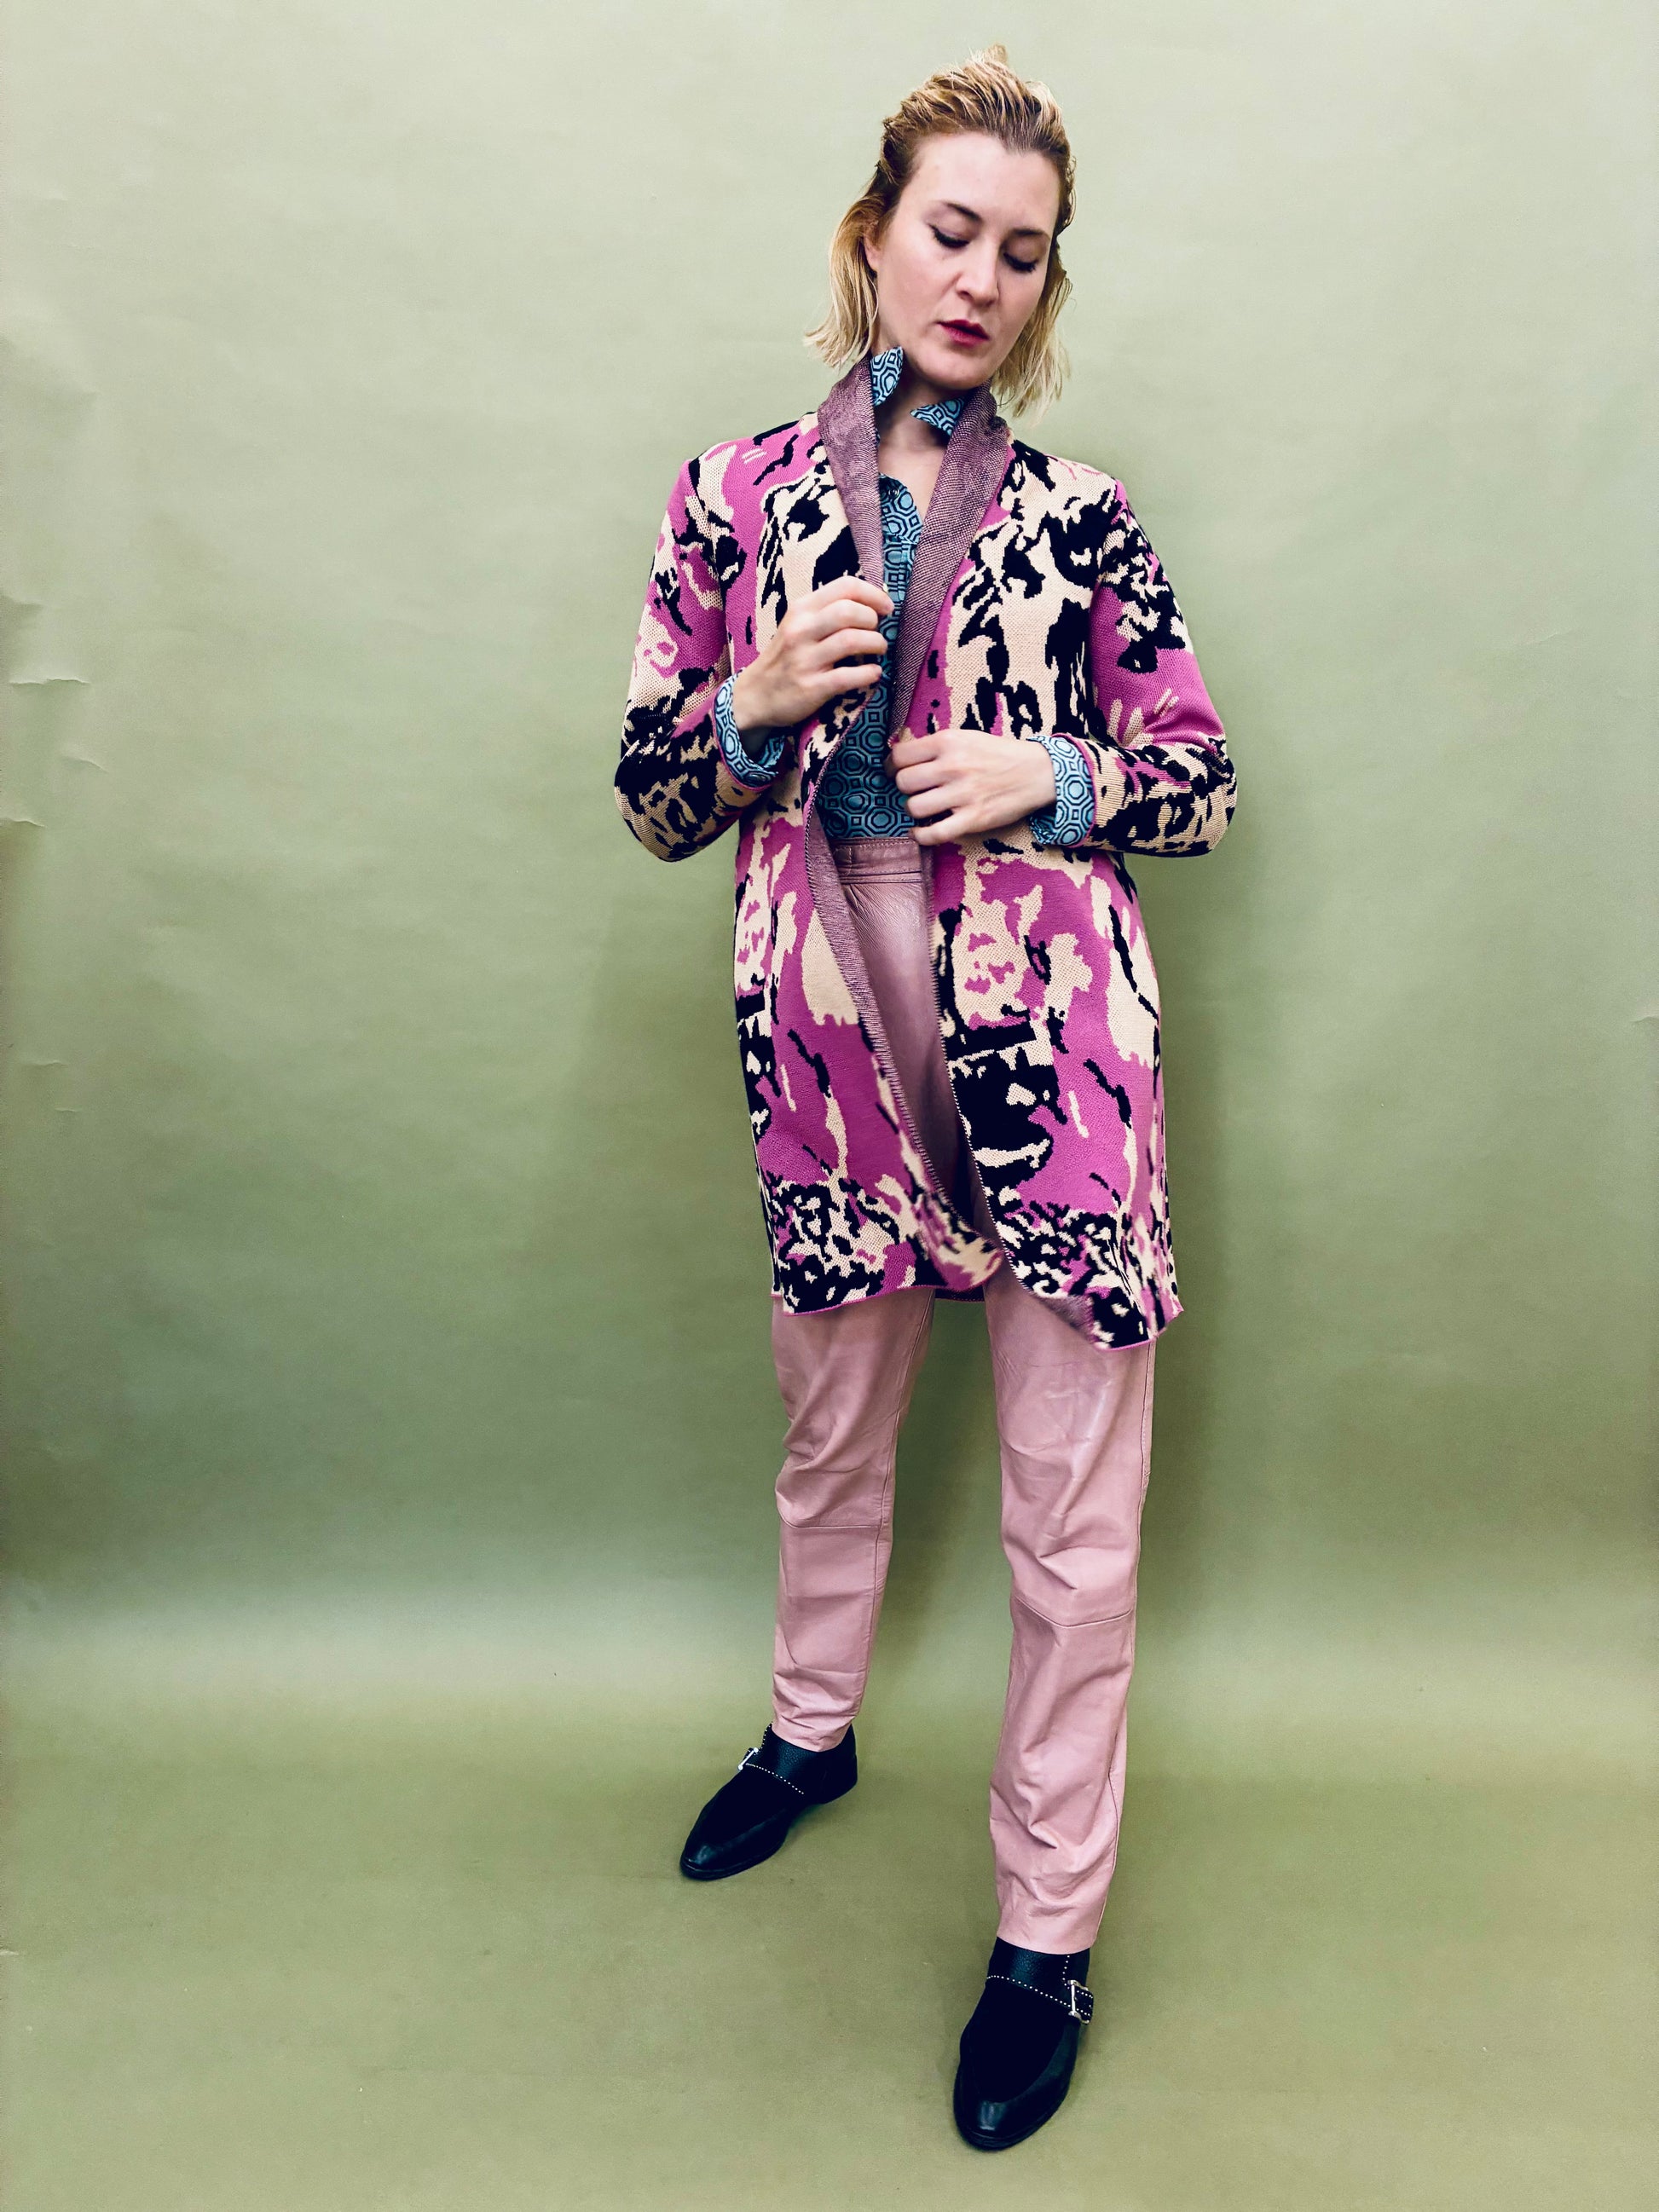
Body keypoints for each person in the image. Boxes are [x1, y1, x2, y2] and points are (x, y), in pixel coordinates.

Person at [615, 44, 1235, 2151]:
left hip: (1056, 1075)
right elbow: (650, 800)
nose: (979, 277)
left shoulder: (1086, 520)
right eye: (950, 230)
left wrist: (1048, 774)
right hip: (828, 1074)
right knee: (830, 1445)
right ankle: (811, 1730)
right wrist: (748, 703)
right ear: (873, 237)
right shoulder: (730, 500)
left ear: (1046, 287)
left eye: (1021, 252)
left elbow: (1200, 780)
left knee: (1072, 1525)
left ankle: (1045, 1935)